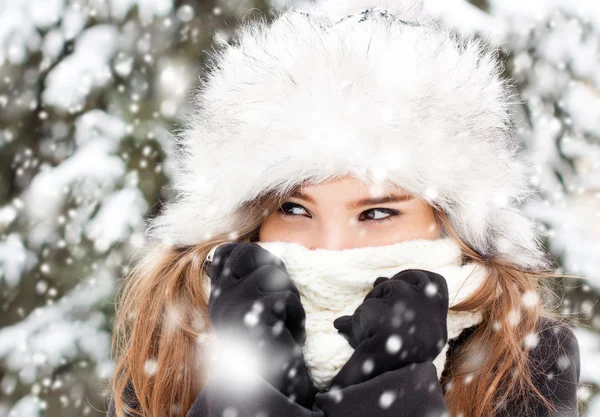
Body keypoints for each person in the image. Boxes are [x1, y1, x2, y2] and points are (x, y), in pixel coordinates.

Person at [106, 0, 582, 416]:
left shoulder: (517, 352)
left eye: (376, 213)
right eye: (295, 209)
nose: (331, 247)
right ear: (250, 217)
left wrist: (392, 381)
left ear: (446, 221)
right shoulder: (181, 328)